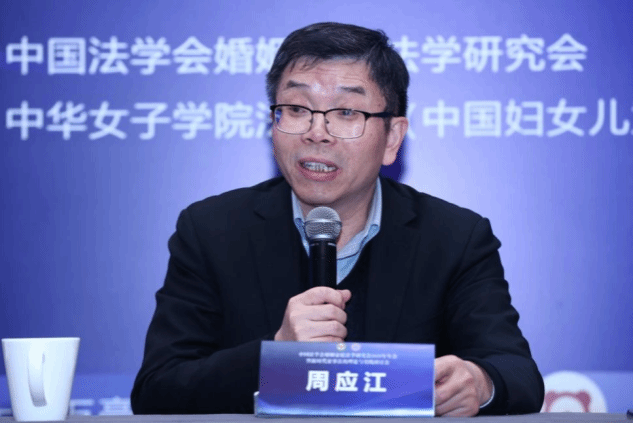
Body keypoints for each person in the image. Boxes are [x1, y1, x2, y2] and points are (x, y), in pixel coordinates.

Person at [131, 22, 544, 417]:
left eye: (346, 111)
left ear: (392, 137)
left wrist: (479, 383)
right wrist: (275, 356)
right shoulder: (212, 230)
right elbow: (157, 389)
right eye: (297, 108)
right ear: (273, 123)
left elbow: (517, 373)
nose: (317, 132)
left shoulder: (454, 237)